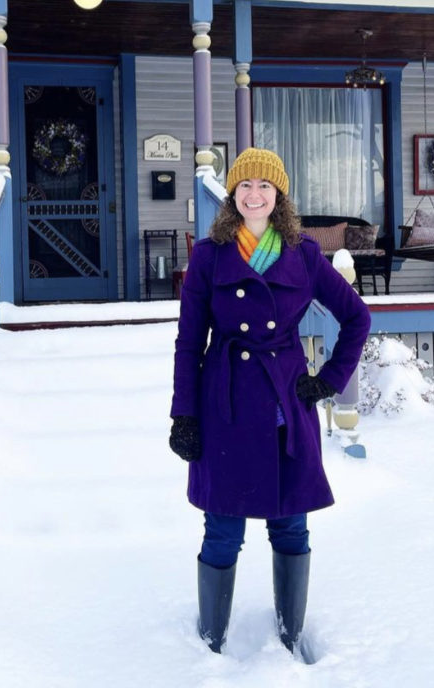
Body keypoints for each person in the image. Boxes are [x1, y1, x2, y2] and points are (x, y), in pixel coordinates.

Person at [168, 147, 371, 660]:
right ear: (232, 196)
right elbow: (189, 342)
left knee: (290, 522)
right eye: (245, 186)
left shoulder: (303, 253)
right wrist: (183, 414)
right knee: (222, 524)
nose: (254, 195)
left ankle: (290, 634)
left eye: (264, 186)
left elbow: (356, 318)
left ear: (278, 194)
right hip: (226, 401)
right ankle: (209, 645)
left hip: (284, 400)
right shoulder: (209, 256)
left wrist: (327, 381)